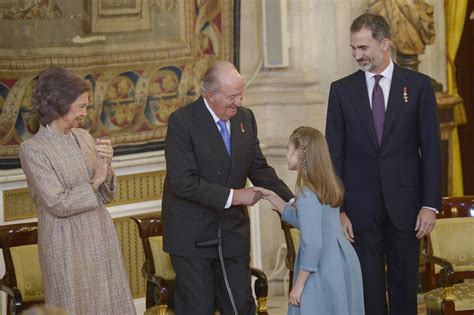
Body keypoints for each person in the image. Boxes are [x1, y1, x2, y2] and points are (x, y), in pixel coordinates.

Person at [325, 13, 442, 315]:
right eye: (353, 48)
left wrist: (430, 204)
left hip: (406, 206)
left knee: (405, 290)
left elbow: (430, 149)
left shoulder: (417, 87)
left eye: (363, 48)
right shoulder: (341, 91)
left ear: (385, 43)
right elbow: (332, 156)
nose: (357, 55)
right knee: (368, 292)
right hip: (359, 209)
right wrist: (338, 209)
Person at [162, 60, 294, 314]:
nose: (239, 102)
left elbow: (259, 169)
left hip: (232, 234)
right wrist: (235, 196)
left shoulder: (245, 118)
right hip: (192, 236)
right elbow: (183, 182)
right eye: (232, 96)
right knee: (199, 308)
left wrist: (292, 202)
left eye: (241, 95)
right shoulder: (183, 122)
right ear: (211, 96)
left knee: (240, 307)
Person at [19, 68, 136, 315]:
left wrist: (107, 168)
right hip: (64, 241)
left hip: (99, 234)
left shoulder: (83, 137)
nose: (85, 113)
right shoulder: (33, 150)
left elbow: (106, 195)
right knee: (72, 305)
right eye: (81, 106)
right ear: (60, 104)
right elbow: (57, 203)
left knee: (108, 302)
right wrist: (95, 181)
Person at [254, 126, 365, 315]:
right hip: (342, 261)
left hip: (321, 268)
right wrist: (272, 196)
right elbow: (304, 220)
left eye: (289, 149)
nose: (287, 153)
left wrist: (298, 285)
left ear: (300, 153)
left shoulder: (306, 193)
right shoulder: (326, 186)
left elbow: (313, 244)